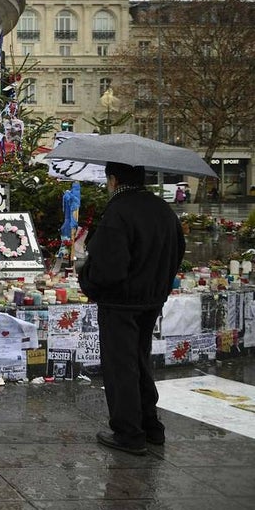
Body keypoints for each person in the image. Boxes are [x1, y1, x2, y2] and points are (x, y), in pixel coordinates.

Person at [79, 162, 184, 456]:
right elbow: (178, 250)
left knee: (120, 366)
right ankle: (151, 427)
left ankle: (129, 433)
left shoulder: (118, 211)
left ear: (113, 180)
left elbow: (107, 269)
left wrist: (87, 281)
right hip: (150, 299)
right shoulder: (162, 209)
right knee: (139, 360)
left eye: (107, 180)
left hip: (120, 302)